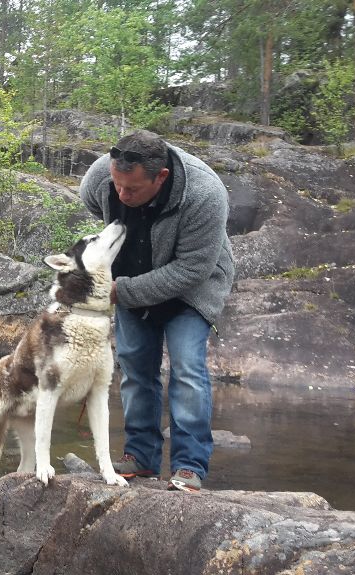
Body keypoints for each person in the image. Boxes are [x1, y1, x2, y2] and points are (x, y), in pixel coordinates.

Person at [79, 130, 235, 492]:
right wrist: (125, 282)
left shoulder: (205, 194)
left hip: (192, 288)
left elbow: (192, 269)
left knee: (187, 370)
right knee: (134, 366)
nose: (121, 195)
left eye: (132, 189)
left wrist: (122, 291)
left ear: (160, 177)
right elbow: (93, 202)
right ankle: (141, 457)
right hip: (132, 276)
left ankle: (189, 465)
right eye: (117, 185)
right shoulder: (104, 175)